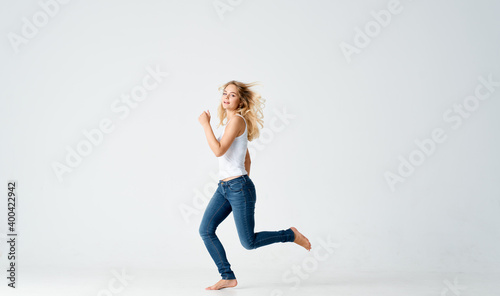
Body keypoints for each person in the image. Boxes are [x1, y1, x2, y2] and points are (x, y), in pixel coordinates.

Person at [198, 80, 311, 290]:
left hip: (238, 188)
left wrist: (205, 125)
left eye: (232, 95)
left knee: (248, 243)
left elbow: (218, 150)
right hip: (226, 188)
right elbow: (246, 159)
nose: (226, 97)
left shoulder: (237, 121)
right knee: (205, 230)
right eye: (225, 93)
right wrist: (238, 181)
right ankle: (228, 276)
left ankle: (290, 234)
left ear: (240, 101)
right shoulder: (229, 124)